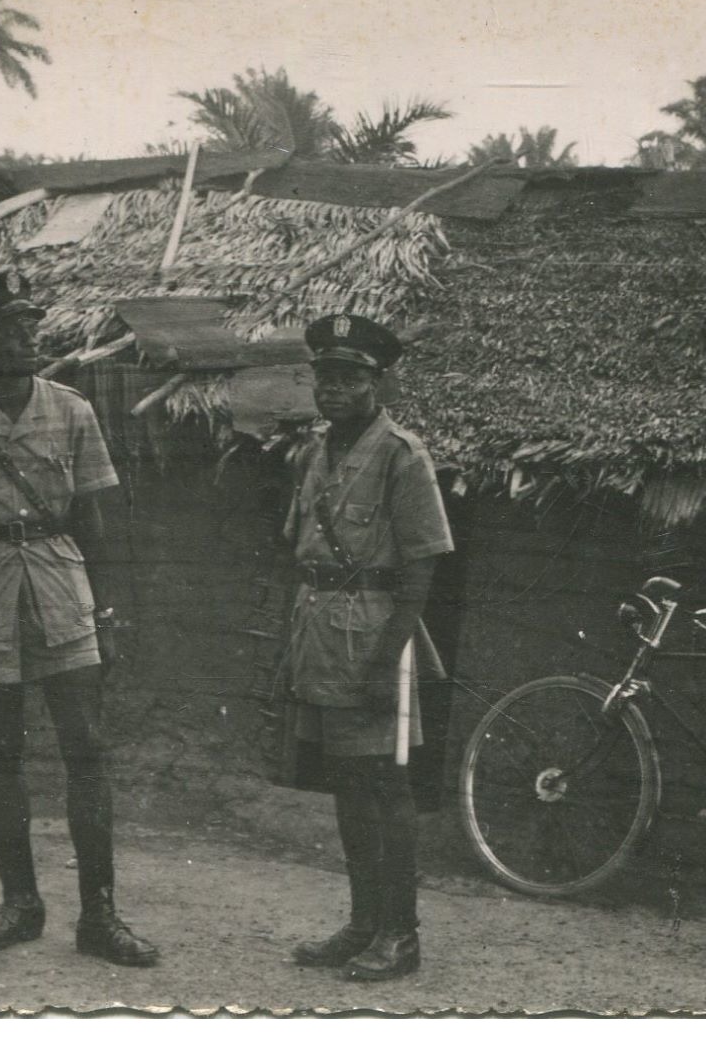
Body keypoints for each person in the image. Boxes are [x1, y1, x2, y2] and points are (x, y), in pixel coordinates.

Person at [0, 270, 159, 968]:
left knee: (86, 745)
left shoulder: (71, 409)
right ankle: (20, 903)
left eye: (31, 325)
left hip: (59, 577)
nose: (27, 336)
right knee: (1, 750)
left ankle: (98, 916)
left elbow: (96, 520)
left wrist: (106, 609)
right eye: (11, 326)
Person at [283, 313, 454, 982]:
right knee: (348, 785)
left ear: (376, 383)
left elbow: (421, 566)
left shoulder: (400, 455)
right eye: (324, 374)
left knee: (384, 786)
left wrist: (387, 661)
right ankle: (361, 923)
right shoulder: (311, 453)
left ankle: (399, 934)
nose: (333, 387)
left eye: (349, 376)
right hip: (321, 631)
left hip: (377, 633)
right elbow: (295, 547)